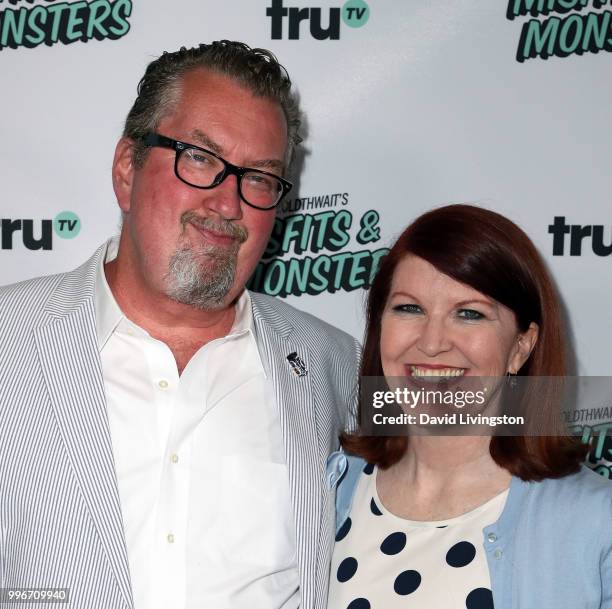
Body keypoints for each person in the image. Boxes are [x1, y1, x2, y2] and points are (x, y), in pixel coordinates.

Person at [0, 41, 359, 609]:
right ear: (127, 169)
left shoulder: (332, 363)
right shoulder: (7, 340)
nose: (227, 204)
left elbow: (521, 426)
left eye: (260, 178)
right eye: (199, 157)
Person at [326, 204, 612, 609]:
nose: (431, 342)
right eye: (409, 308)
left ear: (520, 347)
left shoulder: (595, 522)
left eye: (469, 314)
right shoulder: (330, 489)